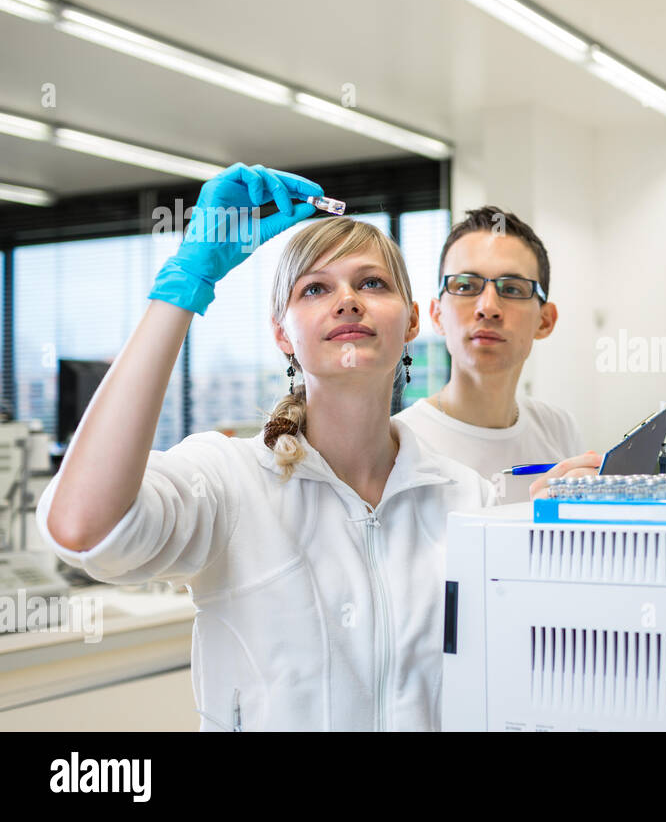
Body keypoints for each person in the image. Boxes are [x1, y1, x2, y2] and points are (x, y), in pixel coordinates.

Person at [36, 163, 494, 731]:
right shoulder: (229, 482)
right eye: (315, 289)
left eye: (372, 283)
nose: (347, 300)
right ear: (282, 333)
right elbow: (82, 526)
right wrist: (185, 282)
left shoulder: (466, 500)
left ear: (412, 323)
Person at [394, 207, 600, 503]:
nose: (488, 307)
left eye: (512, 289)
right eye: (466, 286)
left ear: (545, 321)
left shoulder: (558, 429)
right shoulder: (400, 443)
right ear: (437, 316)